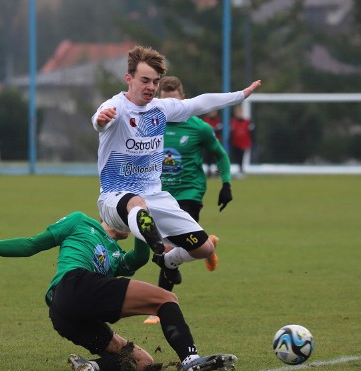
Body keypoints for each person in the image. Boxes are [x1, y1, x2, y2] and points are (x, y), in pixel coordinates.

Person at [0, 211, 238, 371]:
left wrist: (141, 219)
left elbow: (139, 254)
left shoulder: (119, 257)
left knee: (142, 362)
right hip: (71, 287)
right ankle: (190, 359)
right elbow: (31, 245)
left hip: (67, 315)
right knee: (167, 299)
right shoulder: (78, 222)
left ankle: (91, 366)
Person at [91, 45, 260, 293]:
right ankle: (154, 241)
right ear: (129, 79)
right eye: (145, 80)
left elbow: (199, 103)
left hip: (156, 199)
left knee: (205, 249)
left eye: (155, 82)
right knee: (136, 204)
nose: (151, 86)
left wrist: (240, 95)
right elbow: (99, 120)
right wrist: (101, 120)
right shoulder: (116, 107)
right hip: (115, 197)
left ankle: (169, 259)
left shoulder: (161, 109)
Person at [143, 76, 234, 325]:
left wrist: (225, 183)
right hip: (159, 194)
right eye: (166, 101)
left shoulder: (199, 128)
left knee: (169, 249)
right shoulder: (150, 125)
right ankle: (207, 247)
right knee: (164, 248)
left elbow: (220, 155)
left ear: (183, 99)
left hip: (189, 193)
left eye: (176, 101)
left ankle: (158, 309)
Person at [230, 105, 255, 175]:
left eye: (240, 112)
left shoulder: (247, 122)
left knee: (242, 156)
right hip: (235, 143)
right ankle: (239, 169)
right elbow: (231, 132)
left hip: (244, 143)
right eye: (237, 112)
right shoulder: (233, 122)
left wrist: (252, 141)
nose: (239, 114)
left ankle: (241, 169)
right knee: (237, 156)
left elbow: (251, 132)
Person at [201, 110, 223, 177]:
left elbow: (219, 130)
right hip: (206, 142)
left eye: (214, 111)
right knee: (206, 158)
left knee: (214, 158)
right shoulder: (205, 120)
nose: (213, 113)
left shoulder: (219, 120)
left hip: (215, 142)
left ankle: (215, 173)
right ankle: (207, 173)